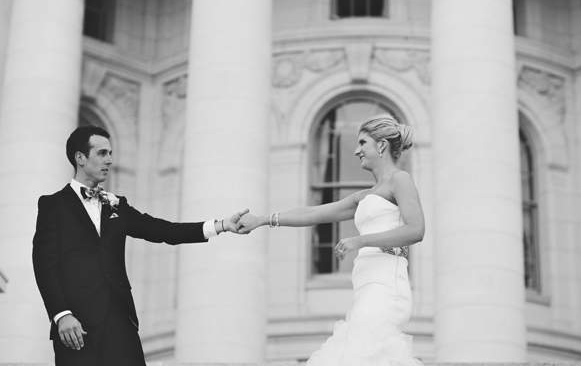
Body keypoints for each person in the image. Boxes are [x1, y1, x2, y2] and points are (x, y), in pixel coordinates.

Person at [32, 125, 248, 366]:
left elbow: (162, 230)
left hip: (120, 321)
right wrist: (61, 315)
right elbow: (44, 265)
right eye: (102, 153)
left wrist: (220, 225)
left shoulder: (116, 205)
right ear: (80, 158)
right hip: (76, 327)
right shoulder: (53, 205)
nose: (110, 160)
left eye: (111, 153)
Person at [238, 115, 425, 365]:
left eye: (362, 143)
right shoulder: (364, 196)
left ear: (381, 145)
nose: (357, 150)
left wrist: (360, 241)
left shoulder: (400, 180)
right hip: (365, 285)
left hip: (387, 285)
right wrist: (263, 219)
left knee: (362, 355)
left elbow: (416, 229)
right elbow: (313, 213)